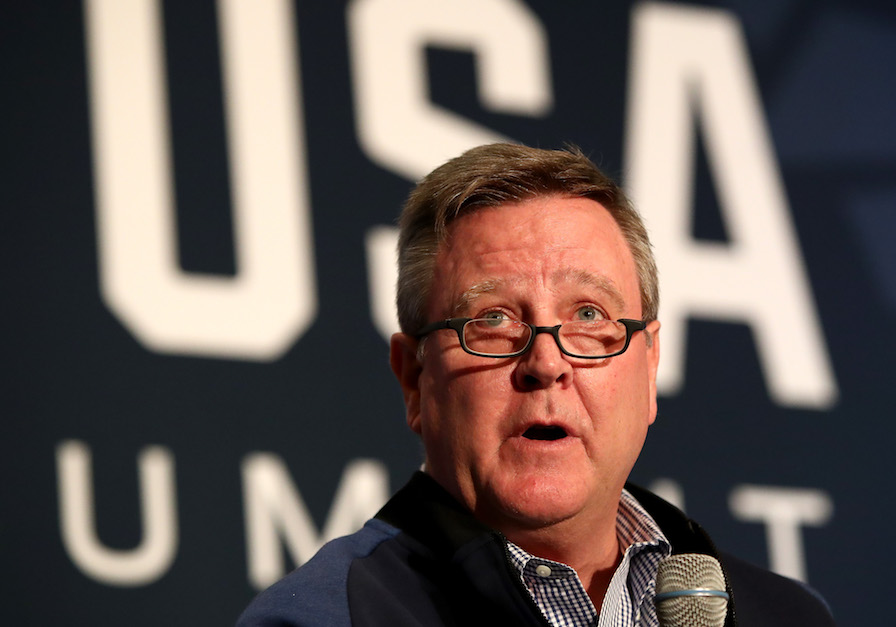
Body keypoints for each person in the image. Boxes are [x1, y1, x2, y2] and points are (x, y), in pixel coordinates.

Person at [237, 143, 836, 626]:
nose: (546, 362)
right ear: (415, 379)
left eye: (590, 317)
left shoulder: (781, 615)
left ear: (649, 368)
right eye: (493, 320)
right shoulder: (329, 617)